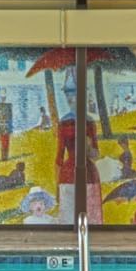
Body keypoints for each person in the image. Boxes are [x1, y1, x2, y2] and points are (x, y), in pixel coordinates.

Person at [54, 83, 102, 222]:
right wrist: (57, 185)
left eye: (73, 94)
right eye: (68, 94)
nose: (70, 98)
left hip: (88, 175)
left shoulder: (89, 122)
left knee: (91, 218)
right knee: (69, 218)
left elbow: (96, 154)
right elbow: (59, 157)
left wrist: (87, 146)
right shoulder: (64, 122)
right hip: (68, 174)